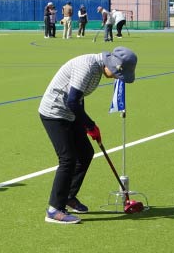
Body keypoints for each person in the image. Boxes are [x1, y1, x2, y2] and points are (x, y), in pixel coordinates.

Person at [39, 46, 138, 224]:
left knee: (85, 152)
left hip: (69, 112)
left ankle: (69, 196)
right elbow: (72, 100)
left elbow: (78, 99)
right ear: (113, 65)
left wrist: (85, 125)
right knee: (67, 159)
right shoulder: (87, 66)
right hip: (54, 113)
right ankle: (54, 210)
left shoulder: (97, 69)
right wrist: (90, 125)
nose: (116, 77)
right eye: (117, 74)